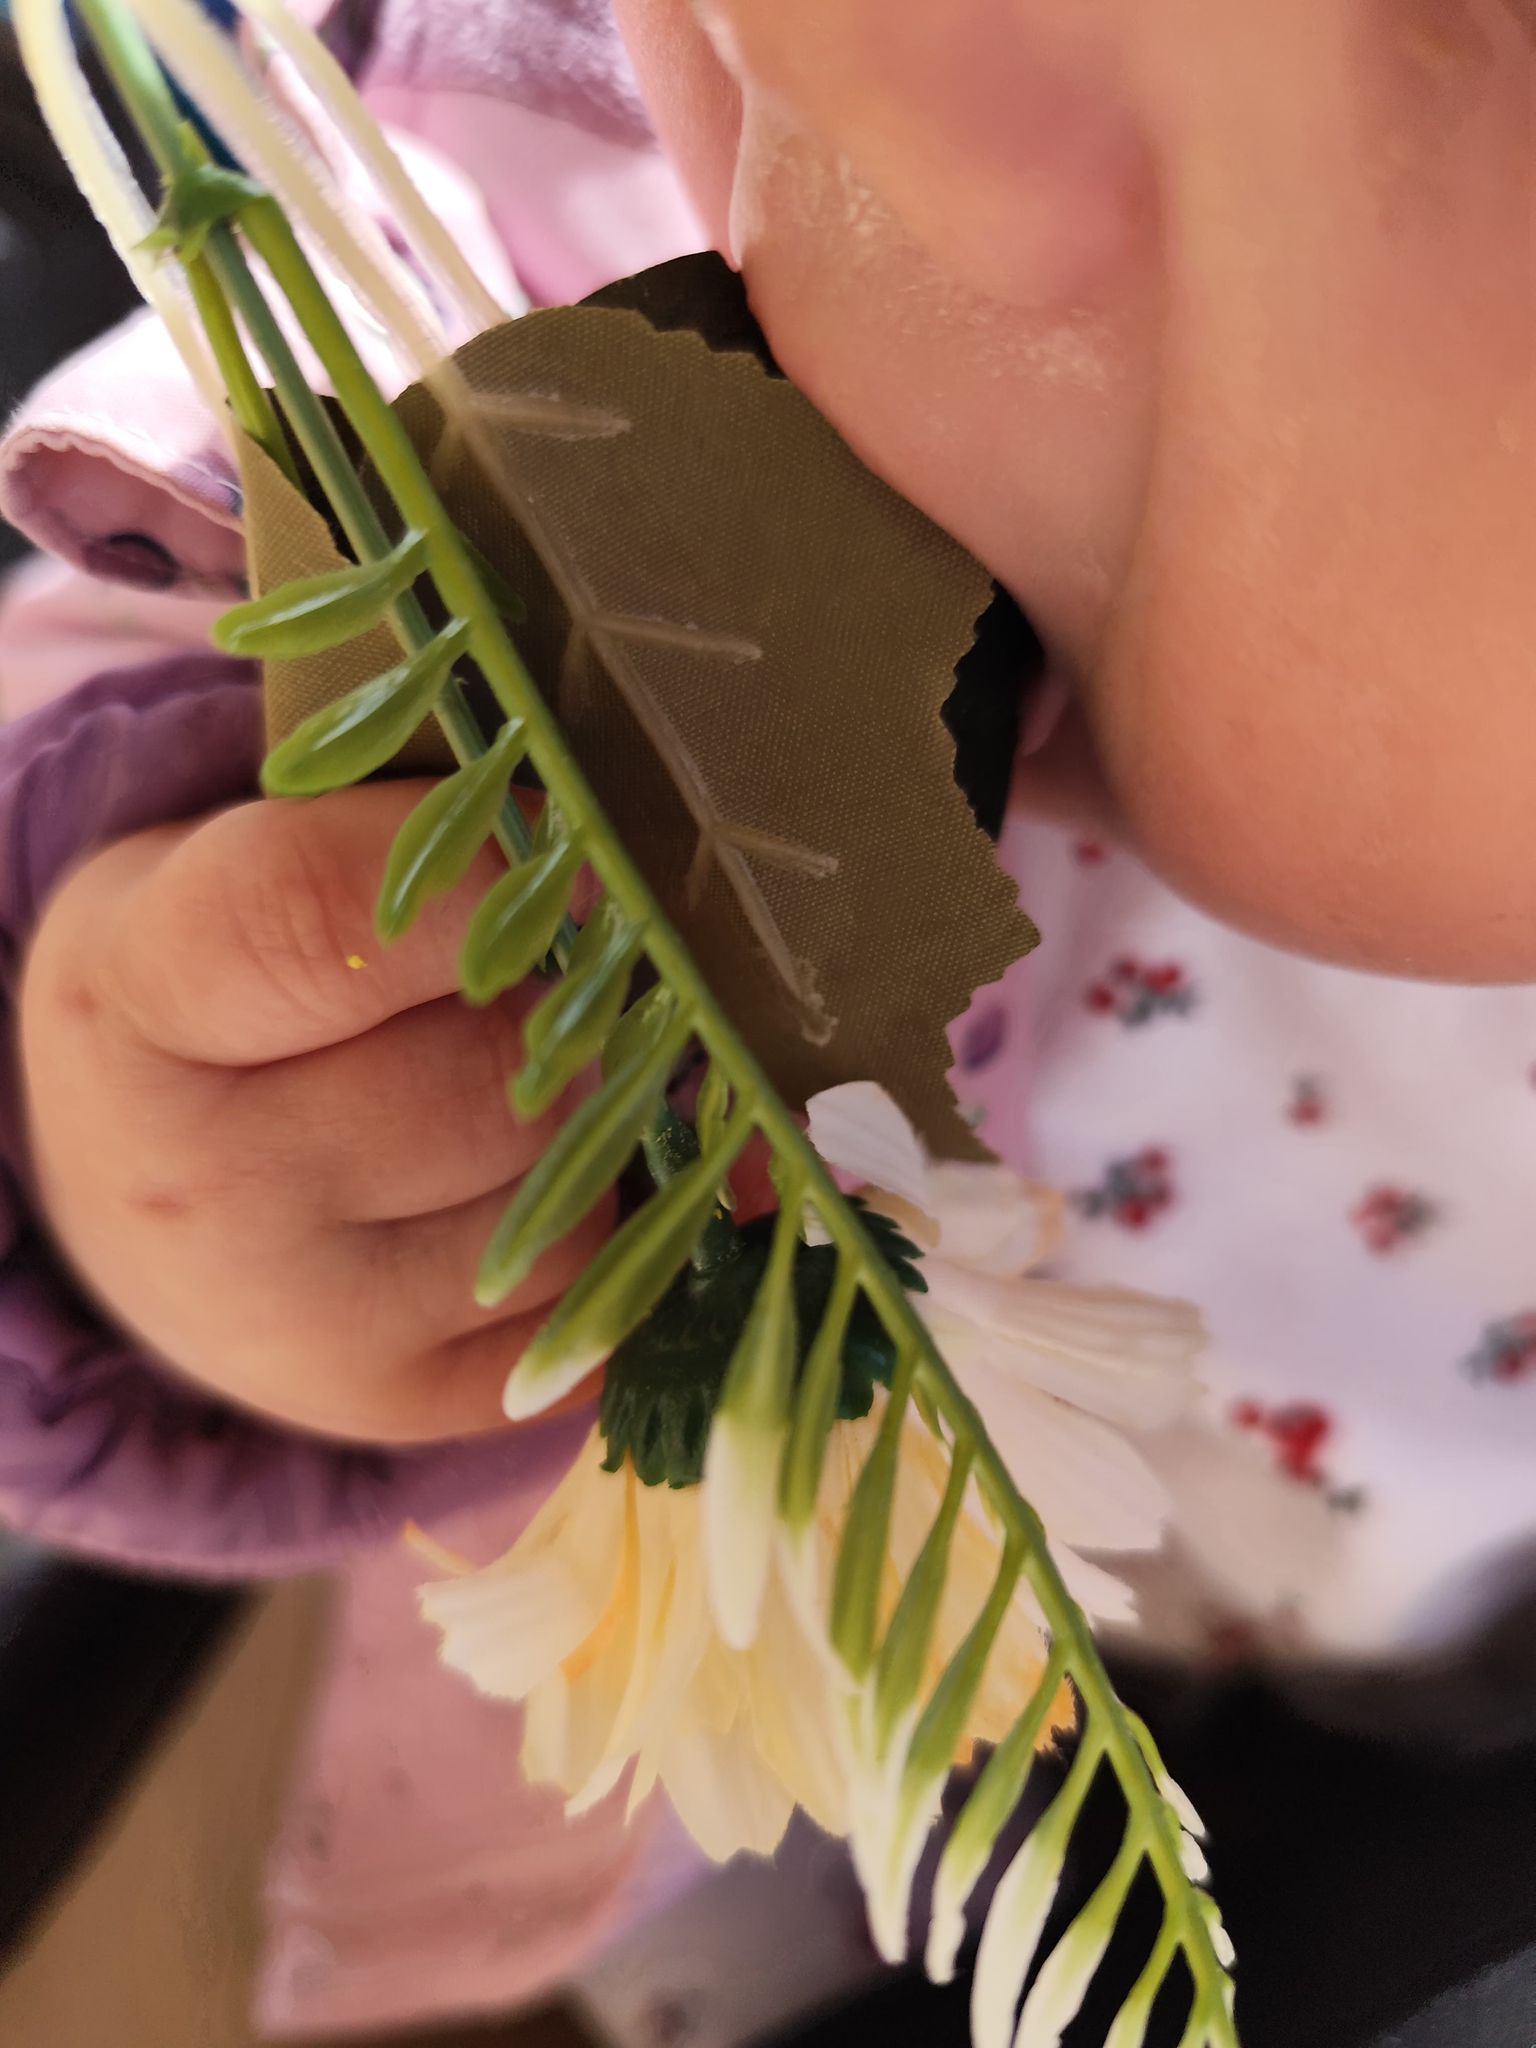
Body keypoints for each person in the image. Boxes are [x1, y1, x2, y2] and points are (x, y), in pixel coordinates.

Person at [0, 0, 1531, 2038]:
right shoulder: (573, 188)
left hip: (1379, 1645)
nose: (867, 74)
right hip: (739, 1722)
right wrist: (154, 1133)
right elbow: (175, 597)